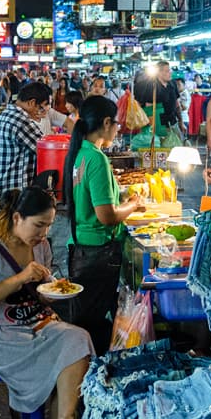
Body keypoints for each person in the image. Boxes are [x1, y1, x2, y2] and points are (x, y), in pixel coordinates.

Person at [0, 187, 93, 418]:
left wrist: (53, 291)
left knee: (79, 339)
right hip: (3, 335)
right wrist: (20, 278)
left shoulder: (41, 246)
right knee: (67, 351)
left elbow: (41, 293)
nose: (44, 233)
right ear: (17, 218)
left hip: (41, 325)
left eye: (48, 225)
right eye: (38, 225)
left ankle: (65, 415)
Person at [64, 96, 143, 354]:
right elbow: (106, 216)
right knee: (94, 325)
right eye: (117, 125)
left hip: (81, 248)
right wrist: (133, 204)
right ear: (106, 122)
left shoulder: (79, 153)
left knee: (87, 318)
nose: (118, 130)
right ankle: (91, 378)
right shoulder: (96, 158)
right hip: (98, 252)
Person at [0, 82, 53, 205]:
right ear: (32, 103)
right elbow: (47, 151)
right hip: (14, 192)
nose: (43, 113)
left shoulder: (1, 116)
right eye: (43, 107)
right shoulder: (21, 121)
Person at [134, 61, 181, 139]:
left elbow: (177, 104)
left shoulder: (173, 84)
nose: (170, 73)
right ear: (159, 73)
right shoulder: (151, 86)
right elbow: (149, 109)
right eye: (167, 71)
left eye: (170, 70)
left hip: (173, 123)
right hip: (157, 126)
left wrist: (181, 121)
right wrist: (151, 129)